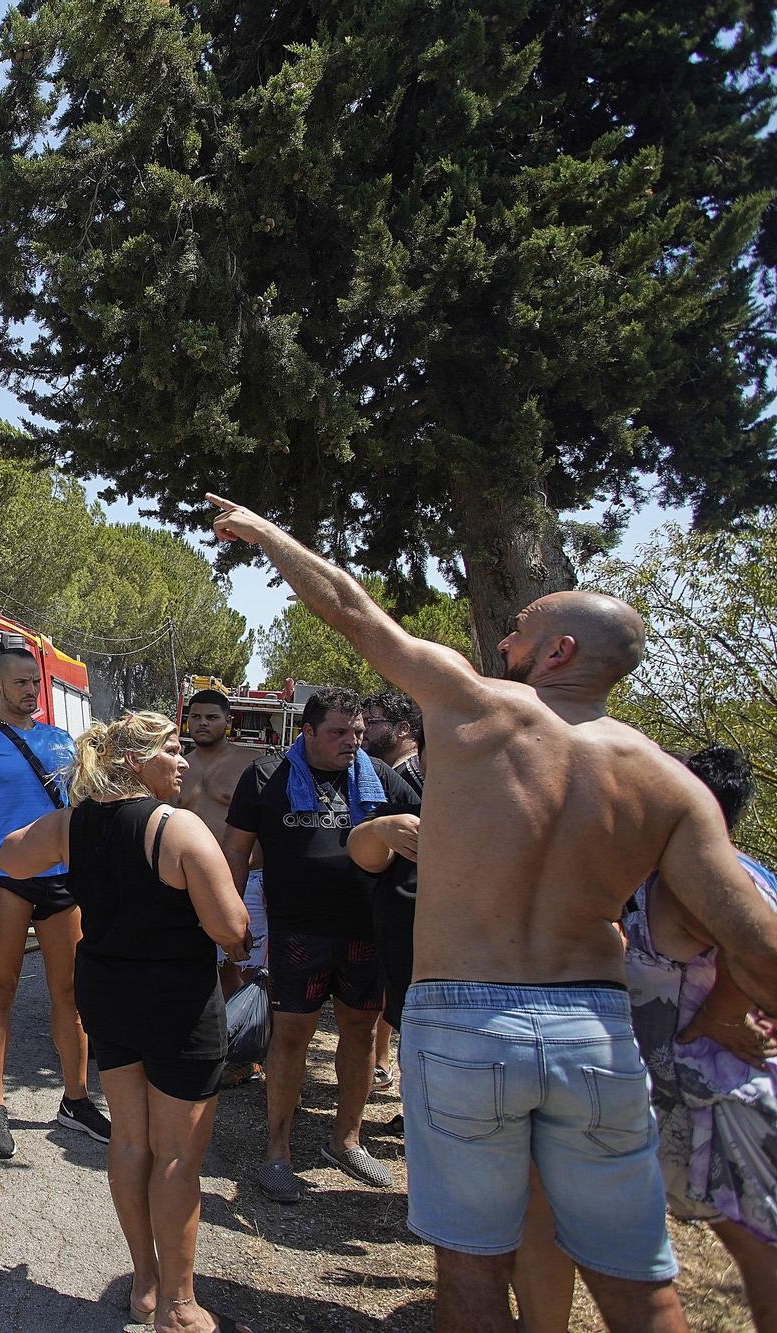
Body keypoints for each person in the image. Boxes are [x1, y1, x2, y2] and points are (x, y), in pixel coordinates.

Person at [207, 491, 777, 1332]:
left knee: (472, 1271)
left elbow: (352, 611)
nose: (503, 640)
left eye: (519, 627)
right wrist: (724, 1018)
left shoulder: (476, 709)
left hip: (467, 1020)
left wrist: (261, 532)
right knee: (637, 1280)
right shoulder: (668, 782)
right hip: (595, 1028)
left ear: (559, 649)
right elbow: (757, 937)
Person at [0, 712, 252, 1332]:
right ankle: (180, 1305)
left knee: (131, 1141)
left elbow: (9, 856)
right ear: (135, 762)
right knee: (177, 1158)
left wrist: (65, 832)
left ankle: (144, 1283)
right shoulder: (179, 828)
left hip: (108, 996)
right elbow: (233, 930)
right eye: (171, 749)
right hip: (177, 1005)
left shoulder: (73, 823)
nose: (184, 760)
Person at [516, 745, 777, 1332]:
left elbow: (763, 954)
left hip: (710, 1094)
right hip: (676, 1086)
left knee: (757, 1248)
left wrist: (726, 1016)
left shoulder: (700, 880)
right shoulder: (734, 869)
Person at [220, 686, 420, 1203]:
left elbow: (423, 838)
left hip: (366, 933)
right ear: (306, 731)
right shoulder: (267, 776)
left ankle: (346, 1141)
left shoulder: (384, 779)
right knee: (289, 1037)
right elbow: (237, 850)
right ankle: (278, 1153)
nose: (351, 742)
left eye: (357, 732)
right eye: (338, 732)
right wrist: (232, 914)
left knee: (358, 1030)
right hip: (297, 931)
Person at [0, 645, 112, 1158]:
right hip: (5, 877)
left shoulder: (62, 741)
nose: (29, 691)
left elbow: (86, 809)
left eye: (34, 682)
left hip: (63, 879)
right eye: (19, 682)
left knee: (70, 993)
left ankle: (76, 1100)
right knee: (1, 988)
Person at [360, 690, 424, 1092]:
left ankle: (414, 1104)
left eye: (374, 722)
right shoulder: (384, 771)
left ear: (403, 729)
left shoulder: (412, 775)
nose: (364, 730)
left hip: (419, 917)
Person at [178, 689, 265, 977]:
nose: (203, 723)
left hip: (247, 881)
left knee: (248, 970)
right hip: (190, 882)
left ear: (228, 721)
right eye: (196, 716)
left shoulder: (252, 763)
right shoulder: (178, 767)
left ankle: (252, 1024)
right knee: (201, 968)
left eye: (212, 717)